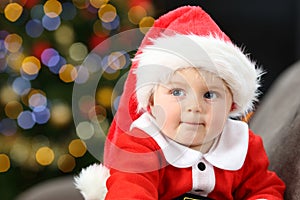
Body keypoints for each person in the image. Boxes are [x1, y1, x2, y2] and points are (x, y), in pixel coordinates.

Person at [75, 5, 285, 200]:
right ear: (151, 102)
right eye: (177, 92)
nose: (194, 107)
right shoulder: (141, 144)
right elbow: (130, 190)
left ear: (231, 104)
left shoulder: (242, 144)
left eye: (209, 95)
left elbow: (264, 188)